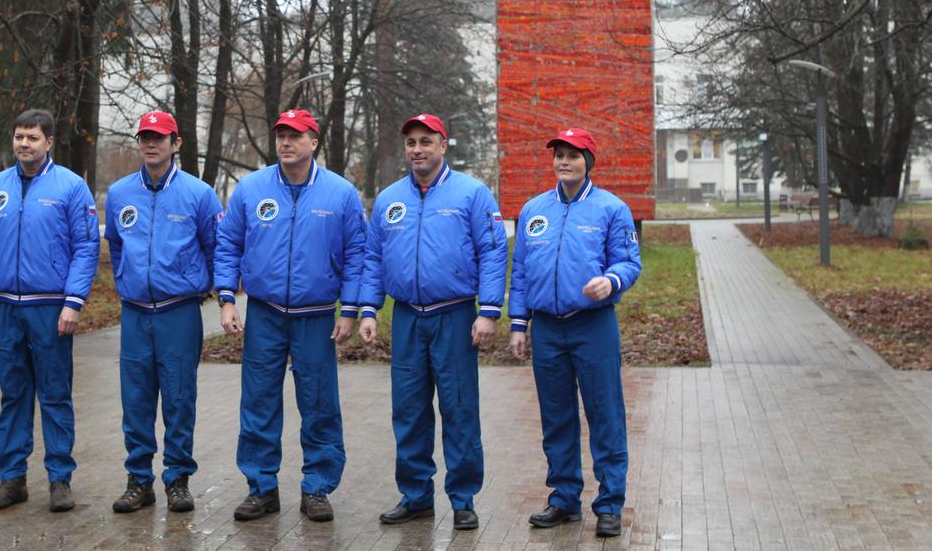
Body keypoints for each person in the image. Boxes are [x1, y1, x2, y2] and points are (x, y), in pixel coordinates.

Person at [358, 114, 509, 532]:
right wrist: (369, 309)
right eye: (411, 143)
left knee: (459, 408)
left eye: (426, 141)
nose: (417, 149)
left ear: (443, 145)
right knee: (408, 410)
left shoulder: (471, 194)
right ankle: (416, 495)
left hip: (454, 316)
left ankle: (462, 499)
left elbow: (494, 252)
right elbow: (373, 257)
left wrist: (489, 310)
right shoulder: (390, 199)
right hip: (407, 316)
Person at [214, 109, 366, 523]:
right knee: (259, 403)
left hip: (316, 316)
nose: (286, 142)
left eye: (295, 135)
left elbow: (357, 255)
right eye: (281, 134)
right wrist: (227, 299)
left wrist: (349, 310)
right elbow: (227, 245)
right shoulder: (251, 189)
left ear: (313, 142)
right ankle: (261, 487)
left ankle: (317, 487)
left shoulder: (340, 194)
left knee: (319, 404)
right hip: (264, 313)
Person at [0, 108, 101, 513]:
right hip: (7, 307)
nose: (24, 144)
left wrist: (73, 301)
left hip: (50, 308)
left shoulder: (71, 188)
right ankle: (12, 479)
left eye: (32, 138)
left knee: (55, 396)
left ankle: (59, 480)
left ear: (49, 142)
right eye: (19, 136)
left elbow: (86, 248)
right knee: (13, 396)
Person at [508, 127, 641, 537]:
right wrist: (518, 324)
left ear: (589, 162)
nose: (564, 161)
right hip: (548, 329)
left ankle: (609, 503)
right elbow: (522, 274)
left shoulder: (611, 209)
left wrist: (612, 281)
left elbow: (629, 261)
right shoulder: (534, 210)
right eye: (559, 154)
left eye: (574, 155)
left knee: (604, 414)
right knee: (556, 416)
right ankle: (564, 498)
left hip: (593, 327)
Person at [104, 111, 221, 515]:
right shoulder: (120, 194)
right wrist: (125, 278)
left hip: (178, 312)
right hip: (135, 313)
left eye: (159, 137)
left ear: (176, 143)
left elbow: (214, 247)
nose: (150, 144)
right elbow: (116, 244)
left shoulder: (199, 194)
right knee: (135, 399)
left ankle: (177, 479)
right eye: (144, 137)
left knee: (178, 397)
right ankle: (139, 480)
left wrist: (208, 288)